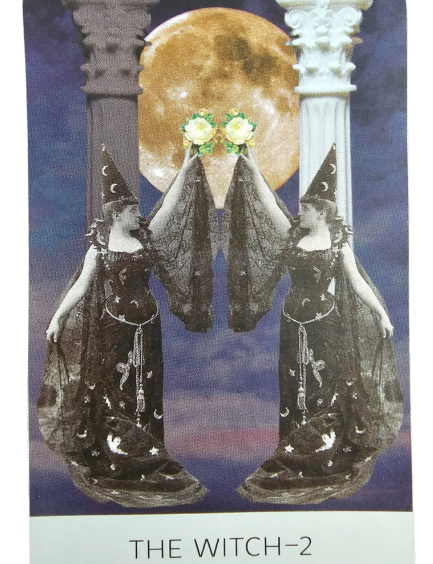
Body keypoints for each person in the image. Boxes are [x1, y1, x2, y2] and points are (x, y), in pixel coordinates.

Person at [37, 143, 218, 508]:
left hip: (148, 326)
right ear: (118, 214)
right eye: (133, 210)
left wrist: (186, 166)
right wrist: (57, 318)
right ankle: (118, 456)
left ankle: (147, 452)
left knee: (146, 388)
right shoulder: (100, 247)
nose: (139, 214)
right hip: (114, 328)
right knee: (116, 388)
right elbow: (81, 287)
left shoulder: (146, 236)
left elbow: (168, 207)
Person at [222, 143, 403, 505]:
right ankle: (295, 454)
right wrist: (252, 166)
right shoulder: (293, 235)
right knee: (294, 388)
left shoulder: (338, 246)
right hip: (292, 324)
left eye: (305, 208)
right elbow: (269, 204)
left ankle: (323, 457)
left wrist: (382, 315)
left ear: (321, 212)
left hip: (326, 326)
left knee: (324, 386)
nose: (299, 212)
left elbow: (358, 284)